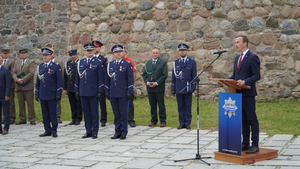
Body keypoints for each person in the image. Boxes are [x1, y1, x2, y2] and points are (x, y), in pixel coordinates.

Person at [229, 35, 261, 154]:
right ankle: (245, 143)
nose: (236, 44)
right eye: (235, 42)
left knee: (251, 118)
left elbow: (257, 75)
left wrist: (245, 81)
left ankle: (255, 144)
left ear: (245, 44)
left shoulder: (253, 57)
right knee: (243, 119)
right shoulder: (237, 58)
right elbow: (235, 77)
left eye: (238, 42)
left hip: (248, 93)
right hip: (238, 93)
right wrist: (225, 80)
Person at [75, 43, 105, 139]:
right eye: (87, 51)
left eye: (91, 50)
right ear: (84, 52)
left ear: (93, 51)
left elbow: (101, 78)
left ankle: (95, 131)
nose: (89, 52)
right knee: (86, 112)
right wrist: (76, 89)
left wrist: (100, 91)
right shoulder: (81, 62)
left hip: (93, 91)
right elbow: (77, 78)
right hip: (83, 91)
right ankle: (88, 131)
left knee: (94, 112)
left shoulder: (98, 62)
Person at [106, 45, 134, 140]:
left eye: (120, 52)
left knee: (123, 114)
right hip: (113, 93)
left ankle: (123, 132)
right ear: (113, 54)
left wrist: (130, 91)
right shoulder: (110, 64)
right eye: (116, 52)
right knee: (116, 114)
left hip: (123, 93)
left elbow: (130, 79)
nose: (118, 53)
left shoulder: (127, 64)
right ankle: (117, 132)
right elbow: (107, 80)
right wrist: (107, 91)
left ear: (122, 53)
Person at [35, 48, 63, 137]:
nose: (45, 57)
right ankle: (47, 129)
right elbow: (38, 81)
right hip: (43, 93)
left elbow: (60, 81)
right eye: (43, 55)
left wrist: (59, 93)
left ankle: (54, 130)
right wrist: (36, 92)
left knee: (53, 113)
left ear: (51, 56)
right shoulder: (40, 66)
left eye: (46, 55)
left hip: (52, 93)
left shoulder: (56, 66)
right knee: (45, 112)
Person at [171, 43, 197, 130]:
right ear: (179, 52)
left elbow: (194, 75)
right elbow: (173, 77)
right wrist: (173, 88)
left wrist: (193, 86)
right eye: (181, 50)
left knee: (188, 106)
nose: (182, 52)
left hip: (188, 87)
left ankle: (187, 122)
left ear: (187, 51)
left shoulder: (192, 62)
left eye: (184, 50)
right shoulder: (176, 63)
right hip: (179, 87)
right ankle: (181, 123)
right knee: (180, 106)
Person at [142, 48, 168, 127]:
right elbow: (144, 74)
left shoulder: (163, 63)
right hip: (150, 88)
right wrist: (147, 82)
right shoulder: (148, 63)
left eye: (157, 53)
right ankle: (153, 120)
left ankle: (163, 121)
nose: (155, 54)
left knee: (161, 105)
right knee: (152, 105)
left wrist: (156, 83)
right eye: (154, 53)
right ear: (151, 54)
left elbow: (164, 75)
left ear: (159, 54)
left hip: (159, 88)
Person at [12, 49, 36, 125]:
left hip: (28, 87)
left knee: (30, 104)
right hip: (19, 87)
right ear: (19, 54)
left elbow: (31, 73)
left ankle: (32, 119)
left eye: (24, 53)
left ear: (27, 54)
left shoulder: (31, 62)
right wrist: (16, 80)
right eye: (21, 53)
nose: (23, 54)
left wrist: (23, 79)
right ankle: (22, 119)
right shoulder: (17, 63)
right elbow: (13, 73)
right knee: (20, 104)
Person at [63, 49, 82, 125]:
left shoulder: (80, 63)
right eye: (71, 56)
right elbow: (65, 77)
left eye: (73, 56)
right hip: (70, 87)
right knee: (72, 103)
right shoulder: (67, 64)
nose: (72, 58)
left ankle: (78, 118)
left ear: (76, 55)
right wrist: (65, 88)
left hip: (77, 87)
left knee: (78, 103)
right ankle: (73, 118)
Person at [92, 40, 108, 127]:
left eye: (97, 47)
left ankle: (103, 119)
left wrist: (104, 85)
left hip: (101, 84)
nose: (95, 48)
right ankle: (93, 119)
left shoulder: (103, 59)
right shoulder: (90, 59)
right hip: (92, 84)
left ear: (100, 48)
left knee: (102, 103)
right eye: (93, 47)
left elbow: (105, 73)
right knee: (92, 103)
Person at [121, 49, 136, 127]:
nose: (121, 52)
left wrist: (131, 85)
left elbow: (133, 72)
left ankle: (131, 120)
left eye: (122, 51)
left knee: (130, 103)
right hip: (120, 87)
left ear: (125, 52)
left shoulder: (129, 61)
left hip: (128, 86)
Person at [50, 48, 64, 123]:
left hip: (57, 85)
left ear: (55, 54)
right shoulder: (45, 63)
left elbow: (61, 74)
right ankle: (49, 117)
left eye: (52, 52)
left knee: (57, 102)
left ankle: (57, 117)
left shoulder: (59, 62)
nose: (51, 54)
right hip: (49, 86)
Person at [1, 49, 15, 124]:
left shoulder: (12, 61)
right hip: (1, 86)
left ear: (9, 53)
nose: (5, 55)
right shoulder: (1, 61)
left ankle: (12, 117)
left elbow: (12, 72)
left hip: (10, 84)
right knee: (2, 103)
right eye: (4, 53)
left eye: (6, 53)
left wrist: (7, 79)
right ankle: (4, 118)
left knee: (11, 102)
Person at [0, 55, 11, 135]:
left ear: (1, 61)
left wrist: (7, 94)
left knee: (6, 112)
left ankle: (6, 128)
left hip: (4, 95)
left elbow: (8, 83)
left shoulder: (6, 70)